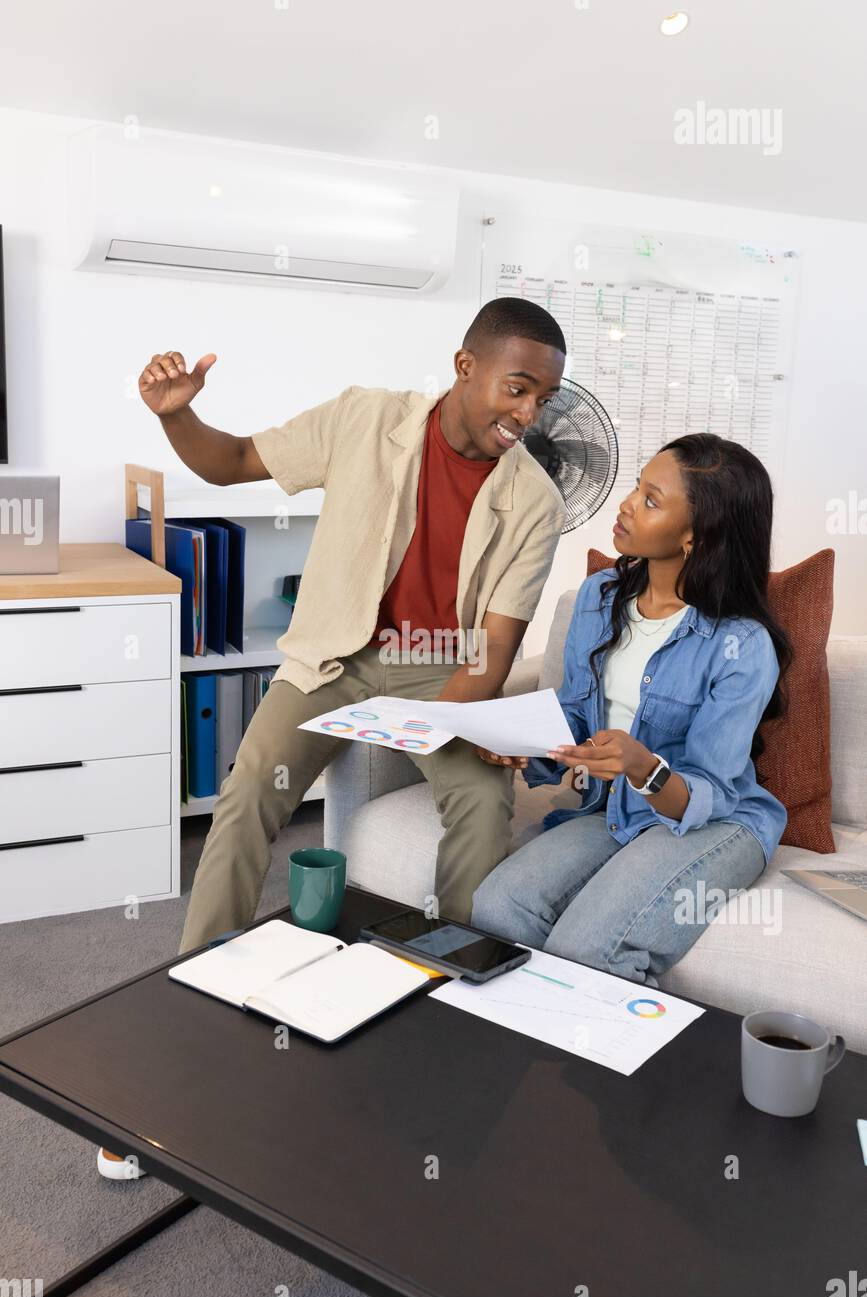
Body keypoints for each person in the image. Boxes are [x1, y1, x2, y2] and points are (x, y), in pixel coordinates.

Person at [98, 298, 567, 1178]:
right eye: (517, 388)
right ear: (464, 367)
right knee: (247, 795)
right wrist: (178, 417)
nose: (528, 415)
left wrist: (424, 720)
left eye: (544, 398)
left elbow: (495, 649)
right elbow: (233, 460)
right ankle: (199, 999)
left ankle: (441, 1002)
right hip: (333, 655)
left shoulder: (533, 500)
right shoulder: (366, 419)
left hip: (444, 671)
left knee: (479, 800)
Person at [471, 433, 793, 988]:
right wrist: (523, 743)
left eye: (650, 499)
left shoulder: (741, 644)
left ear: (695, 533)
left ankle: (598, 1070)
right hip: (613, 808)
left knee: (588, 948)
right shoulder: (600, 597)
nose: (625, 505)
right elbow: (576, 714)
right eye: (636, 488)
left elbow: (711, 788)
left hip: (713, 822)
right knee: (498, 906)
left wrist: (643, 767)